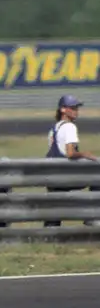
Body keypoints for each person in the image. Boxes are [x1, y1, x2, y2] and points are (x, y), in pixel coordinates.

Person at [44, 94, 99, 227]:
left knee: (55, 210)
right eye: (73, 108)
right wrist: (85, 154)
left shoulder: (54, 128)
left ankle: (49, 234)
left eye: (76, 108)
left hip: (52, 177)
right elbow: (70, 153)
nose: (76, 111)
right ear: (63, 110)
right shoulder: (70, 127)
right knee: (97, 179)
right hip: (65, 176)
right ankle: (92, 217)